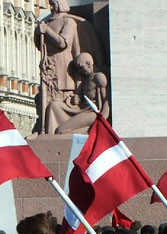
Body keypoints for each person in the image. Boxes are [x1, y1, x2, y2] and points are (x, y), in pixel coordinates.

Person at [34, 0, 80, 135]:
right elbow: (39, 45)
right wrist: (37, 33)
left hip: (63, 65)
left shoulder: (68, 22)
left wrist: (47, 31)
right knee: (46, 97)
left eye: (54, 3)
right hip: (47, 64)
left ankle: (58, 128)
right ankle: (44, 127)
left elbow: (63, 43)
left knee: (61, 97)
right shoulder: (46, 22)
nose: (52, 7)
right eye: (50, 4)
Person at [48, 52, 109, 135]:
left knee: (60, 130)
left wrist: (102, 120)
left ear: (88, 64)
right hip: (80, 110)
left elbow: (106, 100)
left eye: (81, 67)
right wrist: (73, 100)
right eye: (78, 69)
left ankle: (90, 131)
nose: (80, 71)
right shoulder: (85, 80)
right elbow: (79, 99)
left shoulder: (98, 77)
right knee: (54, 105)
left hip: (92, 112)